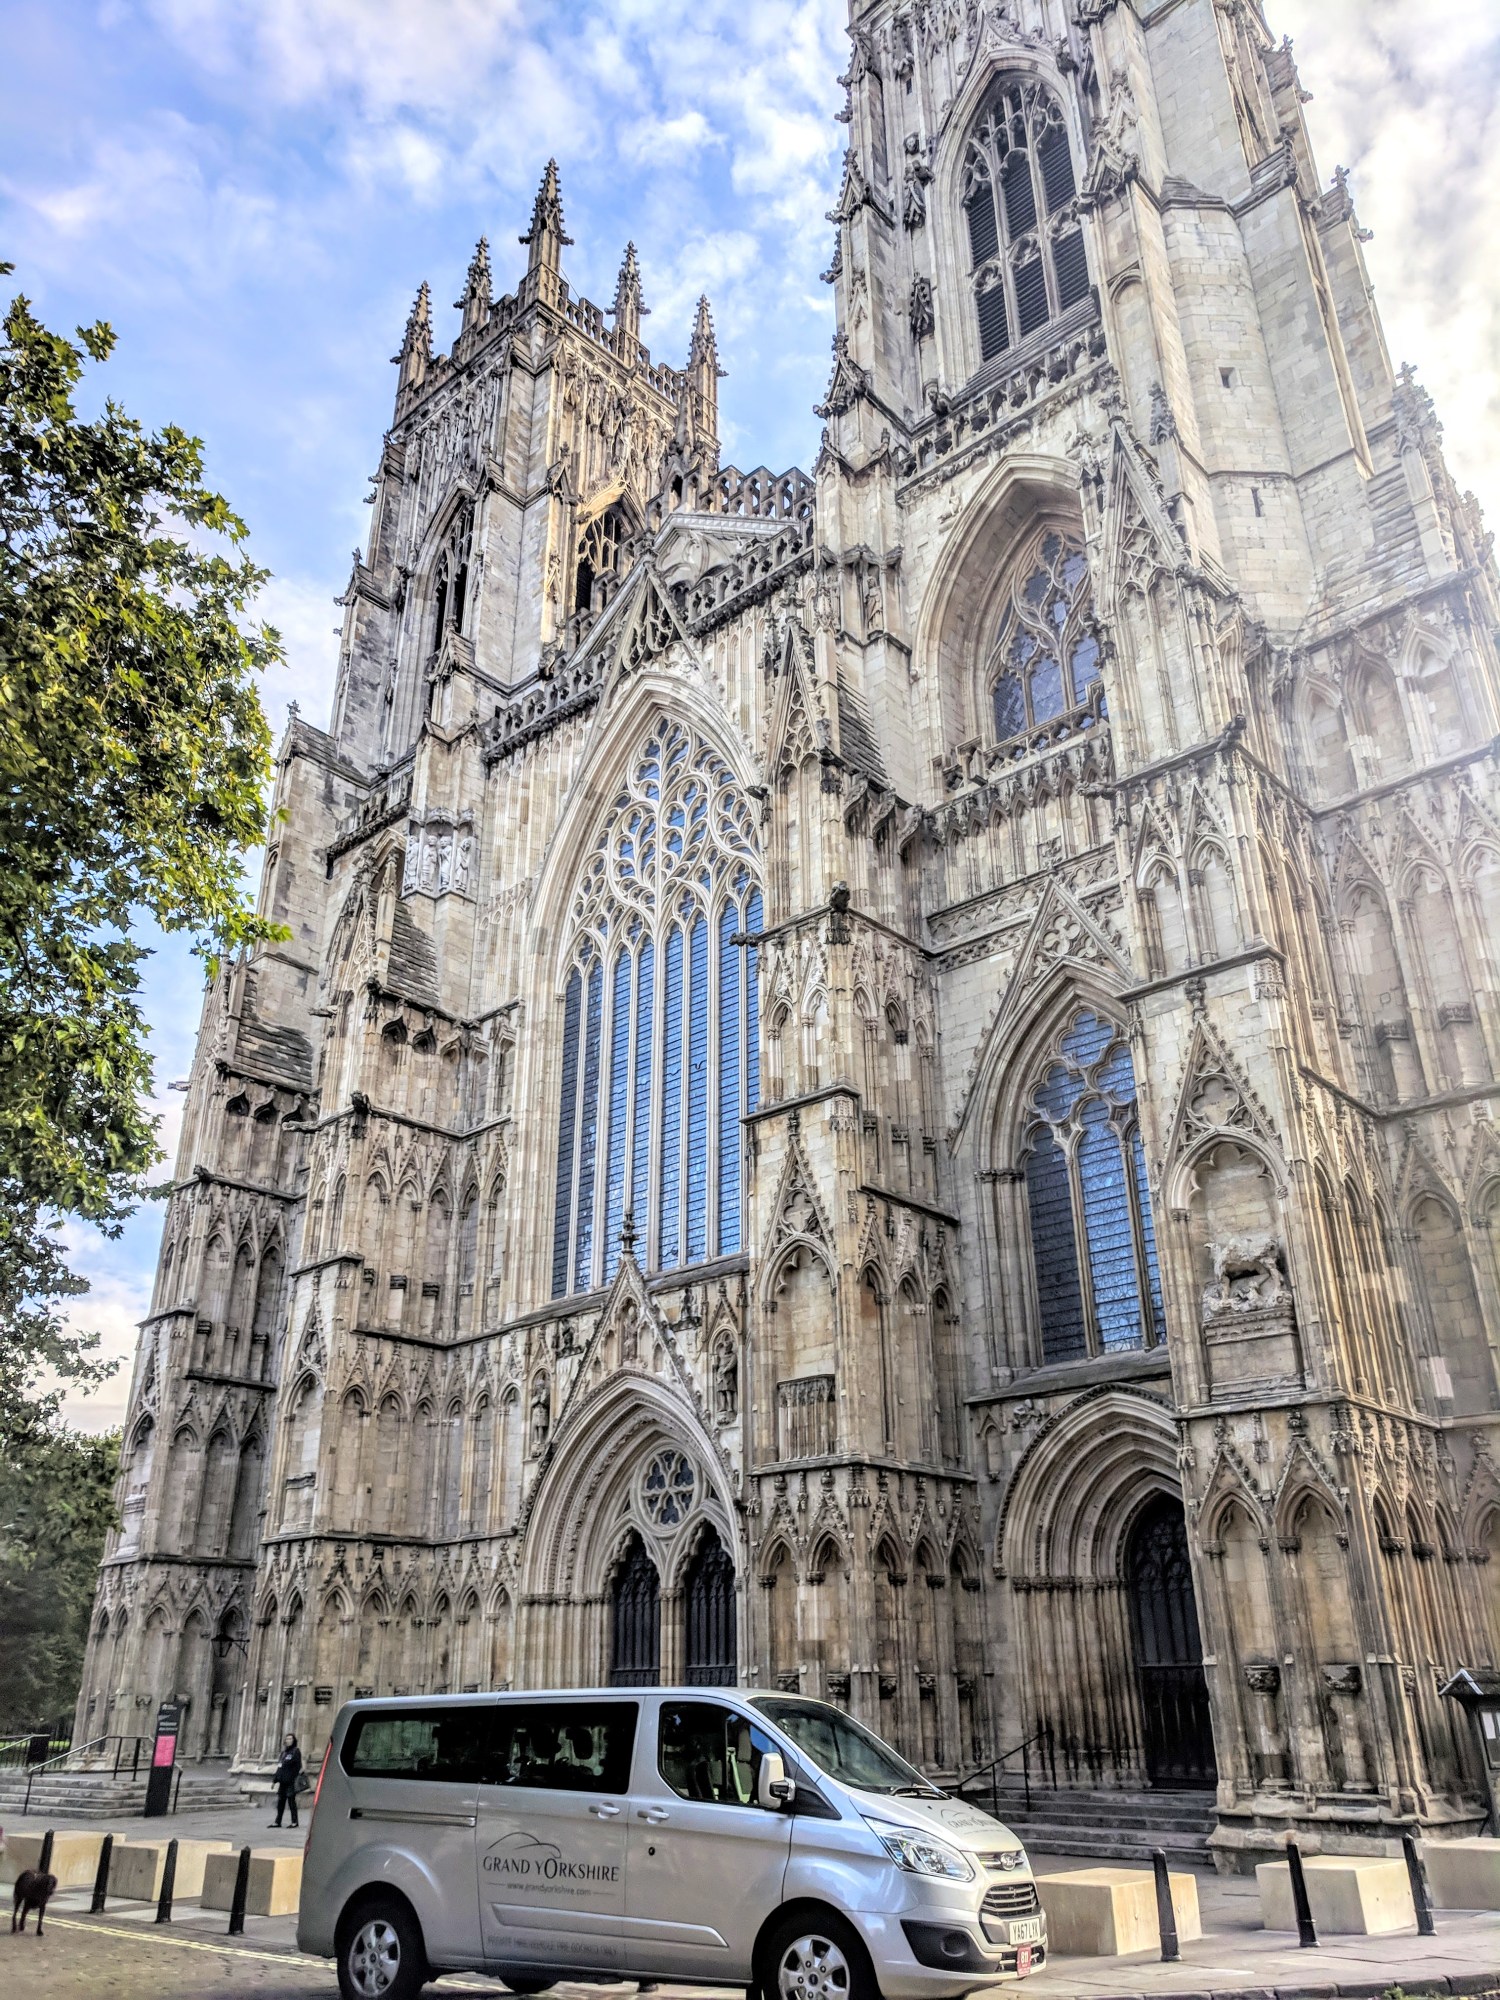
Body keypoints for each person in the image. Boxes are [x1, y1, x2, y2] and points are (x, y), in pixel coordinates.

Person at [271, 1733, 303, 1828]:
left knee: (291, 1802)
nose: (288, 1740)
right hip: (282, 1782)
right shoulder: (283, 1753)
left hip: (290, 1782)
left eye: (290, 1739)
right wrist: (275, 1780)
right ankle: (278, 1821)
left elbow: (298, 1766)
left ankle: (294, 1822)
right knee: (280, 1802)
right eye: (287, 1739)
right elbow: (280, 1767)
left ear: (293, 1740)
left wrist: (292, 1777)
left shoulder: (295, 1751)